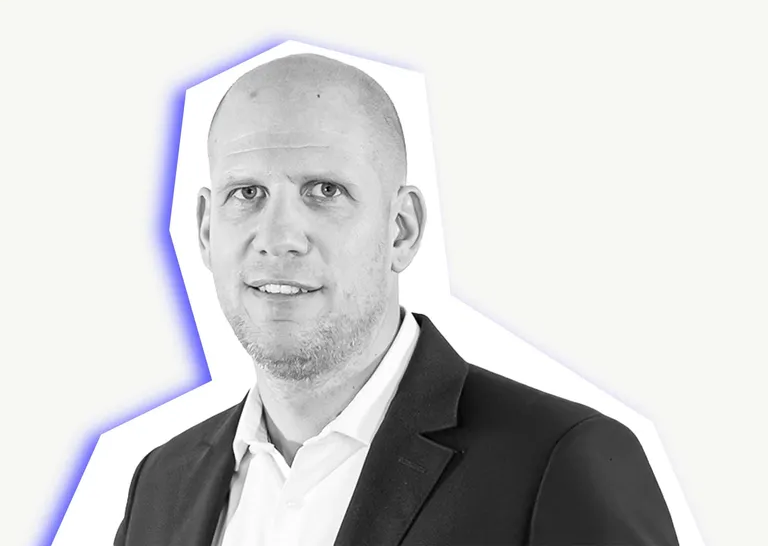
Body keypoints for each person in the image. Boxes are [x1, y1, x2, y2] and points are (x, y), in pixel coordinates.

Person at [114, 53, 679, 546]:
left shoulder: (559, 463)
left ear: (401, 229)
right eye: (247, 193)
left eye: (325, 191)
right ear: (206, 230)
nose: (279, 237)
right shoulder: (161, 484)